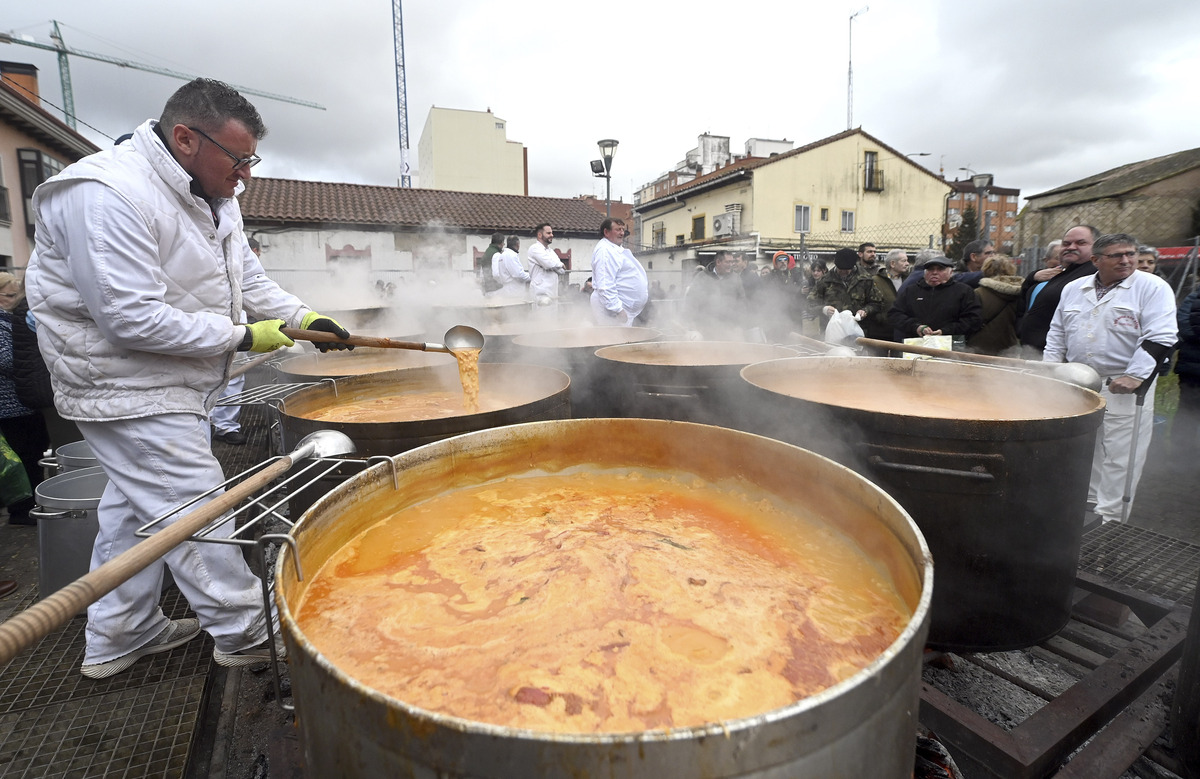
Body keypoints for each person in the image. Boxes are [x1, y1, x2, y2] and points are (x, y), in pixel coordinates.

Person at [27, 78, 353, 679]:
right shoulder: (107, 194)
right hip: (124, 383)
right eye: (239, 159)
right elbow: (129, 319)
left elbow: (245, 281)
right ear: (185, 138)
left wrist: (301, 316)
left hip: (168, 380)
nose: (247, 174)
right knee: (194, 507)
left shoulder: (210, 193)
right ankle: (247, 631)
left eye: (251, 159)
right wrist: (243, 337)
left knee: (134, 512)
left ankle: (119, 634)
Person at [1043, 233, 1178, 523]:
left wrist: (1135, 375)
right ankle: (1088, 508)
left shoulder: (1152, 287)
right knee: (1086, 446)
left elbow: (1162, 335)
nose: (1127, 260)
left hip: (1126, 385)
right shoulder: (1074, 288)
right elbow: (1057, 335)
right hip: (1080, 381)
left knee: (1121, 454)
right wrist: (1049, 371)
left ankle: (1112, 520)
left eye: (1130, 253)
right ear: (1096, 260)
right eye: (1117, 255)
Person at [0, 273, 49, 525]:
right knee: (20, 460)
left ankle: (30, 507)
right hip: (9, 407)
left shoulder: (8, 319)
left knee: (32, 455)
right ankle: (22, 511)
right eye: (8, 295)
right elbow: (6, 359)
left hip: (22, 402)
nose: (12, 300)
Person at [1017, 225, 1100, 354]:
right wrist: (1032, 278)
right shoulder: (1064, 273)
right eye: (1066, 243)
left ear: (1097, 247)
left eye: (1081, 243)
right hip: (1035, 352)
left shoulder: (1095, 275)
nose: (1071, 247)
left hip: (1060, 356)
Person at [211, 237, 259, 446]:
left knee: (235, 378)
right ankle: (213, 421)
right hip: (213, 328)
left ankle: (225, 426)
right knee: (210, 377)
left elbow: (254, 286)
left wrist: (301, 316)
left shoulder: (235, 242)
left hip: (238, 326)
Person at [887, 254, 982, 340]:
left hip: (950, 345)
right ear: (925, 272)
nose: (935, 272)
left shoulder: (964, 291)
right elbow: (894, 315)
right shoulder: (911, 291)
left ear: (951, 272)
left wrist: (946, 331)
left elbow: (973, 319)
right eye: (930, 269)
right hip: (916, 344)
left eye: (940, 269)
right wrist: (916, 327)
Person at [808, 248, 886, 332]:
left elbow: (877, 303)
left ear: (853, 266)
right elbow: (809, 304)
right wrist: (824, 309)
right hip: (832, 330)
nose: (843, 272)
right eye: (840, 269)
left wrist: (865, 311)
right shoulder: (825, 281)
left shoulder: (865, 280)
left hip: (858, 330)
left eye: (847, 270)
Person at [590, 218, 648, 326]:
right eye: (617, 229)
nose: (622, 233)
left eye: (622, 229)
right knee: (613, 339)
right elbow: (605, 284)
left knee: (621, 338)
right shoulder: (605, 251)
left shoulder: (614, 249)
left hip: (621, 308)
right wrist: (617, 309)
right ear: (606, 232)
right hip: (612, 309)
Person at [966, 255, 1024, 355]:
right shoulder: (1021, 293)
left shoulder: (978, 293)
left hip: (979, 347)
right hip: (1009, 347)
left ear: (986, 269)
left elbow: (971, 321)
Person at [685, 250, 749, 337]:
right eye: (728, 262)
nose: (731, 265)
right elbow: (691, 301)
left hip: (729, 328)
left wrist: (740, 325)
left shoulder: (736, 278)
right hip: (705, 327)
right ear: (718, 262)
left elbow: (742, 303)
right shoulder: (702, 277)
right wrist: (691, 322)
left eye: (732, 262)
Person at [1172, 285, 1200, 460]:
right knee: (1188, 411)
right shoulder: (1193, 299)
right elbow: (1185, 328)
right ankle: (1181, 458)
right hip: (1193, 370)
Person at [863, 249, 910, 342]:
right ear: (892, 264)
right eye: (903, 261)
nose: (907, 263)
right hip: (880, 332)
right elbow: (870, 303)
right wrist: (881, 319)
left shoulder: (908, 280)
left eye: (907, 260)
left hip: (903, 330)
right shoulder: (875, 280)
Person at [527, 223, 565, 301]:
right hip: (540, 292)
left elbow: (562, 271)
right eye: (548, 233)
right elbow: (548, 264)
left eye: (551, 233)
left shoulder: (551, 251)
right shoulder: (534, 248)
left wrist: (555, 266)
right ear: (540, 235)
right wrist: (560, 264)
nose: (552, 235)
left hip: (553, 292)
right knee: (541, 313)